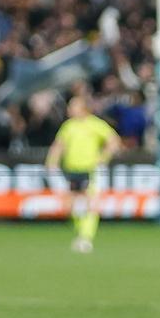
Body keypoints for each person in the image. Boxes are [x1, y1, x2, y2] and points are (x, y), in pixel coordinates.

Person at [45, 96, 120, 252]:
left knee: (90, 203)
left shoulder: (95, 124)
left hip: (89, 170)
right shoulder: (68, 126)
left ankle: (86, 237)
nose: (69, 109)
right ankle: (80, 233)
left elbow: (114, 141)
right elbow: (59, 145)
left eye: (73, 106)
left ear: (84, 108)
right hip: (71, 170)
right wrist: (52, 161)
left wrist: (103, 158)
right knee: (72, 205)